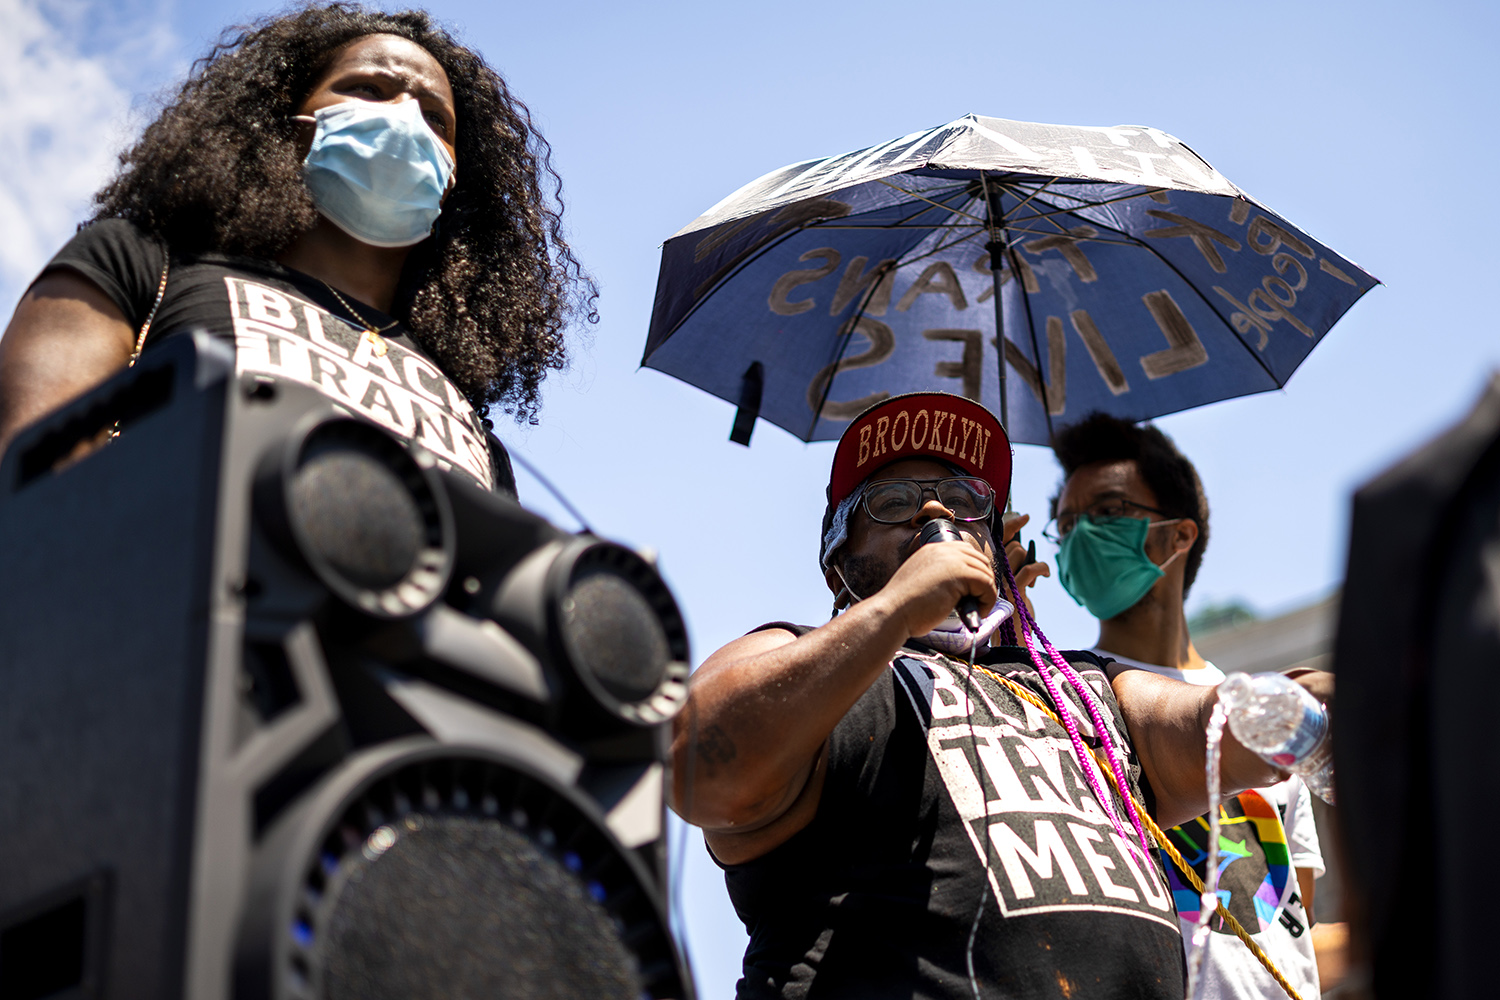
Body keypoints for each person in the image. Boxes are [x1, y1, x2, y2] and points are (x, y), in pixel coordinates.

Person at [671, 390, 1333, 1000]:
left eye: (962, 503)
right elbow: (699, 761)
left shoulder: (1087, 689)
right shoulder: (809, 666)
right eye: (894, 505)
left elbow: (1215, 726)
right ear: (838, 560)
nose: (934, 516)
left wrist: (1316, 706)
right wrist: (900, 606)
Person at [0, 3, 594, 494]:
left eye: (437, 121)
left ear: (459, 178)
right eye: (369, 89)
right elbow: (30, 473)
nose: (406, 119)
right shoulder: (139, 264)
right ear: (285, 119)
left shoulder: (467, 414)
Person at [1049, 413, 1338, 999]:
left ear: (1179, 535)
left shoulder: (1261, 712)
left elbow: (1294, 907)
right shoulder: (1059, 702)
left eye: (1106, 512)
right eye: (1067, 523)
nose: (1082, 536)